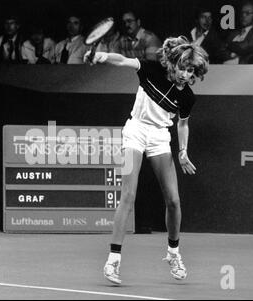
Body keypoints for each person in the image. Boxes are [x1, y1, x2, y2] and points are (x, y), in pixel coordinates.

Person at [84, 36, 209, 283]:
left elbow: (182, 124)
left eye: (191, 70)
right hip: (135, 131)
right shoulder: (151, 69)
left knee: (173, 200)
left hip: (160, 138)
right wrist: (102, 56)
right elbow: (121, 60)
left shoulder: (187, 98)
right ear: (174, 64)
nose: (185, 74)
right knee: (128, 195)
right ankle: (113, 261)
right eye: (183, 68)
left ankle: (173, 253)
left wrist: (183, 151)